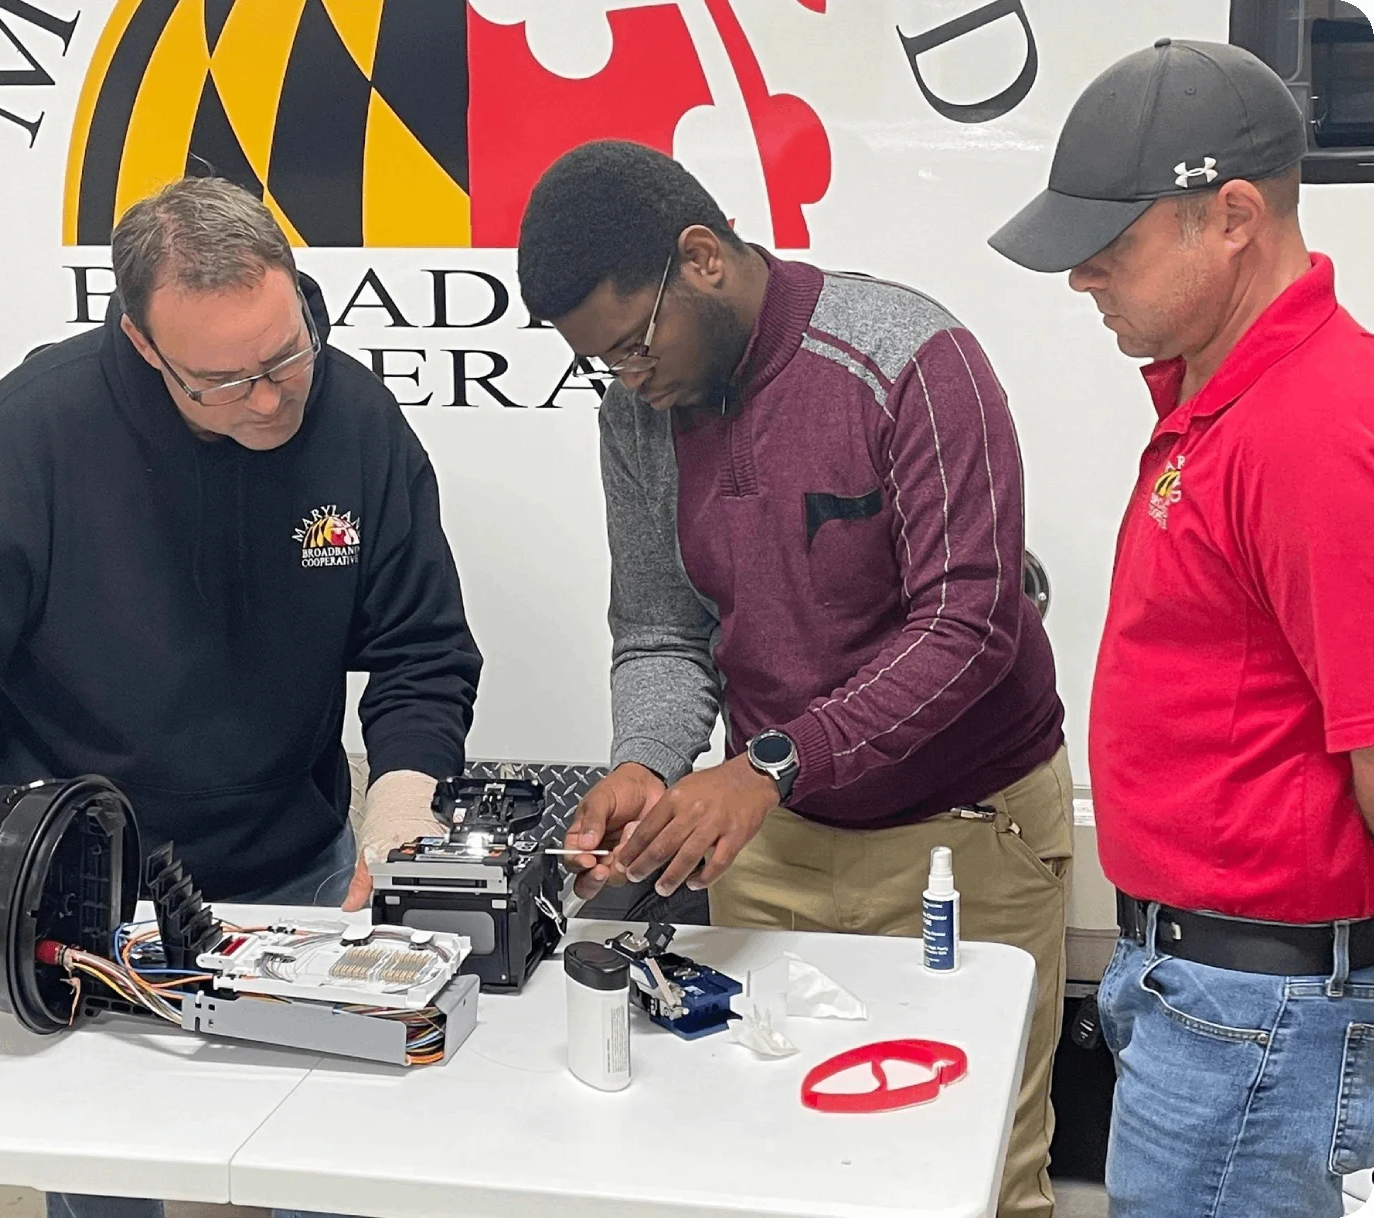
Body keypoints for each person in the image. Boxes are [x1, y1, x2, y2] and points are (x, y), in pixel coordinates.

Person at [518, 140, 1071, 1218]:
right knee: (770, 1163)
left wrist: (772, 760)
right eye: (605, 366)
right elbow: (661, 630)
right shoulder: (639, 414)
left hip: (964, 844)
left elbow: (969, 624)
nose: (632, 380)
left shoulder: (910, 355)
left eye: (635, 345)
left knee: (977, 1176)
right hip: (769, 846)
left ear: (702, 258)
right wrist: (646, 759)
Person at [0, 176, 481, 1218]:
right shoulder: (30, 437)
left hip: (298, 881)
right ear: (141, 343)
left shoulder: (353, 417)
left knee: (328, 1176)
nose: (269, 400)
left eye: (286, 355)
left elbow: (422, 648)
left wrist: (398, 817)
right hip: (88, 904)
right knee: (111, 1188)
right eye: (223, 382)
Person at [990, 38, 1374, 1218]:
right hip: (1211, 998)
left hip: (1255, 1023)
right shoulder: (1228, 402)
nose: (1081, 278)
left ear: (1234, 217)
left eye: (1112, 246)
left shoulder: (1313, 426)